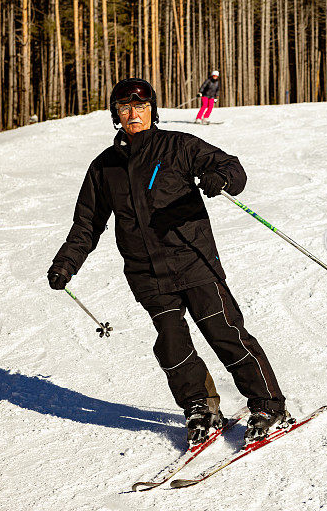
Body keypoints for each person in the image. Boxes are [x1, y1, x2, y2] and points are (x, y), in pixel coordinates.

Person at [47, 77, 288, 446]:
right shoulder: (104, 167)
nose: (133, 114)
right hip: (147, 274)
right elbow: (87, 224)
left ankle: (268, 404)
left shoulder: (177, 145)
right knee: (173, 344)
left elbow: (232, 168)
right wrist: (66, 263)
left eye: (140, 107)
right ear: (116, 114)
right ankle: (200, 406)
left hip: (193, 260)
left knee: (225, 333)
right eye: (125, 107)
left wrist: (218, 177)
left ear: (152, 111)